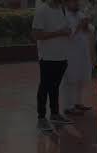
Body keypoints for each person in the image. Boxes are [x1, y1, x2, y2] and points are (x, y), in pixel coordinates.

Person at [33, 0, 74, 132]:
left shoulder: (62, 10)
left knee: (55, 86)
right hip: (48, 57)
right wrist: (59, 33)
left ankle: (55, 114)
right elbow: (36, 34)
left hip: (62, 56)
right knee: (45, 86)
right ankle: (41, 118)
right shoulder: (42, 10)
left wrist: (68, 31)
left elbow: (67, 29)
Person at [61, 0, 93, 116]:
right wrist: (79, 26)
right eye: (73, 2)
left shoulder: (80, 14)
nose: (76, 4)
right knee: (71, 80)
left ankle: (78, 103)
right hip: (71, 53)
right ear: (67, 3)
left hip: (82, 52)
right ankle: (68, 107)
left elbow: (90, 29)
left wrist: (86, 26)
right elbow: (67, 34)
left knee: (81, 79)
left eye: (77, 2)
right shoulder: (64, 16)